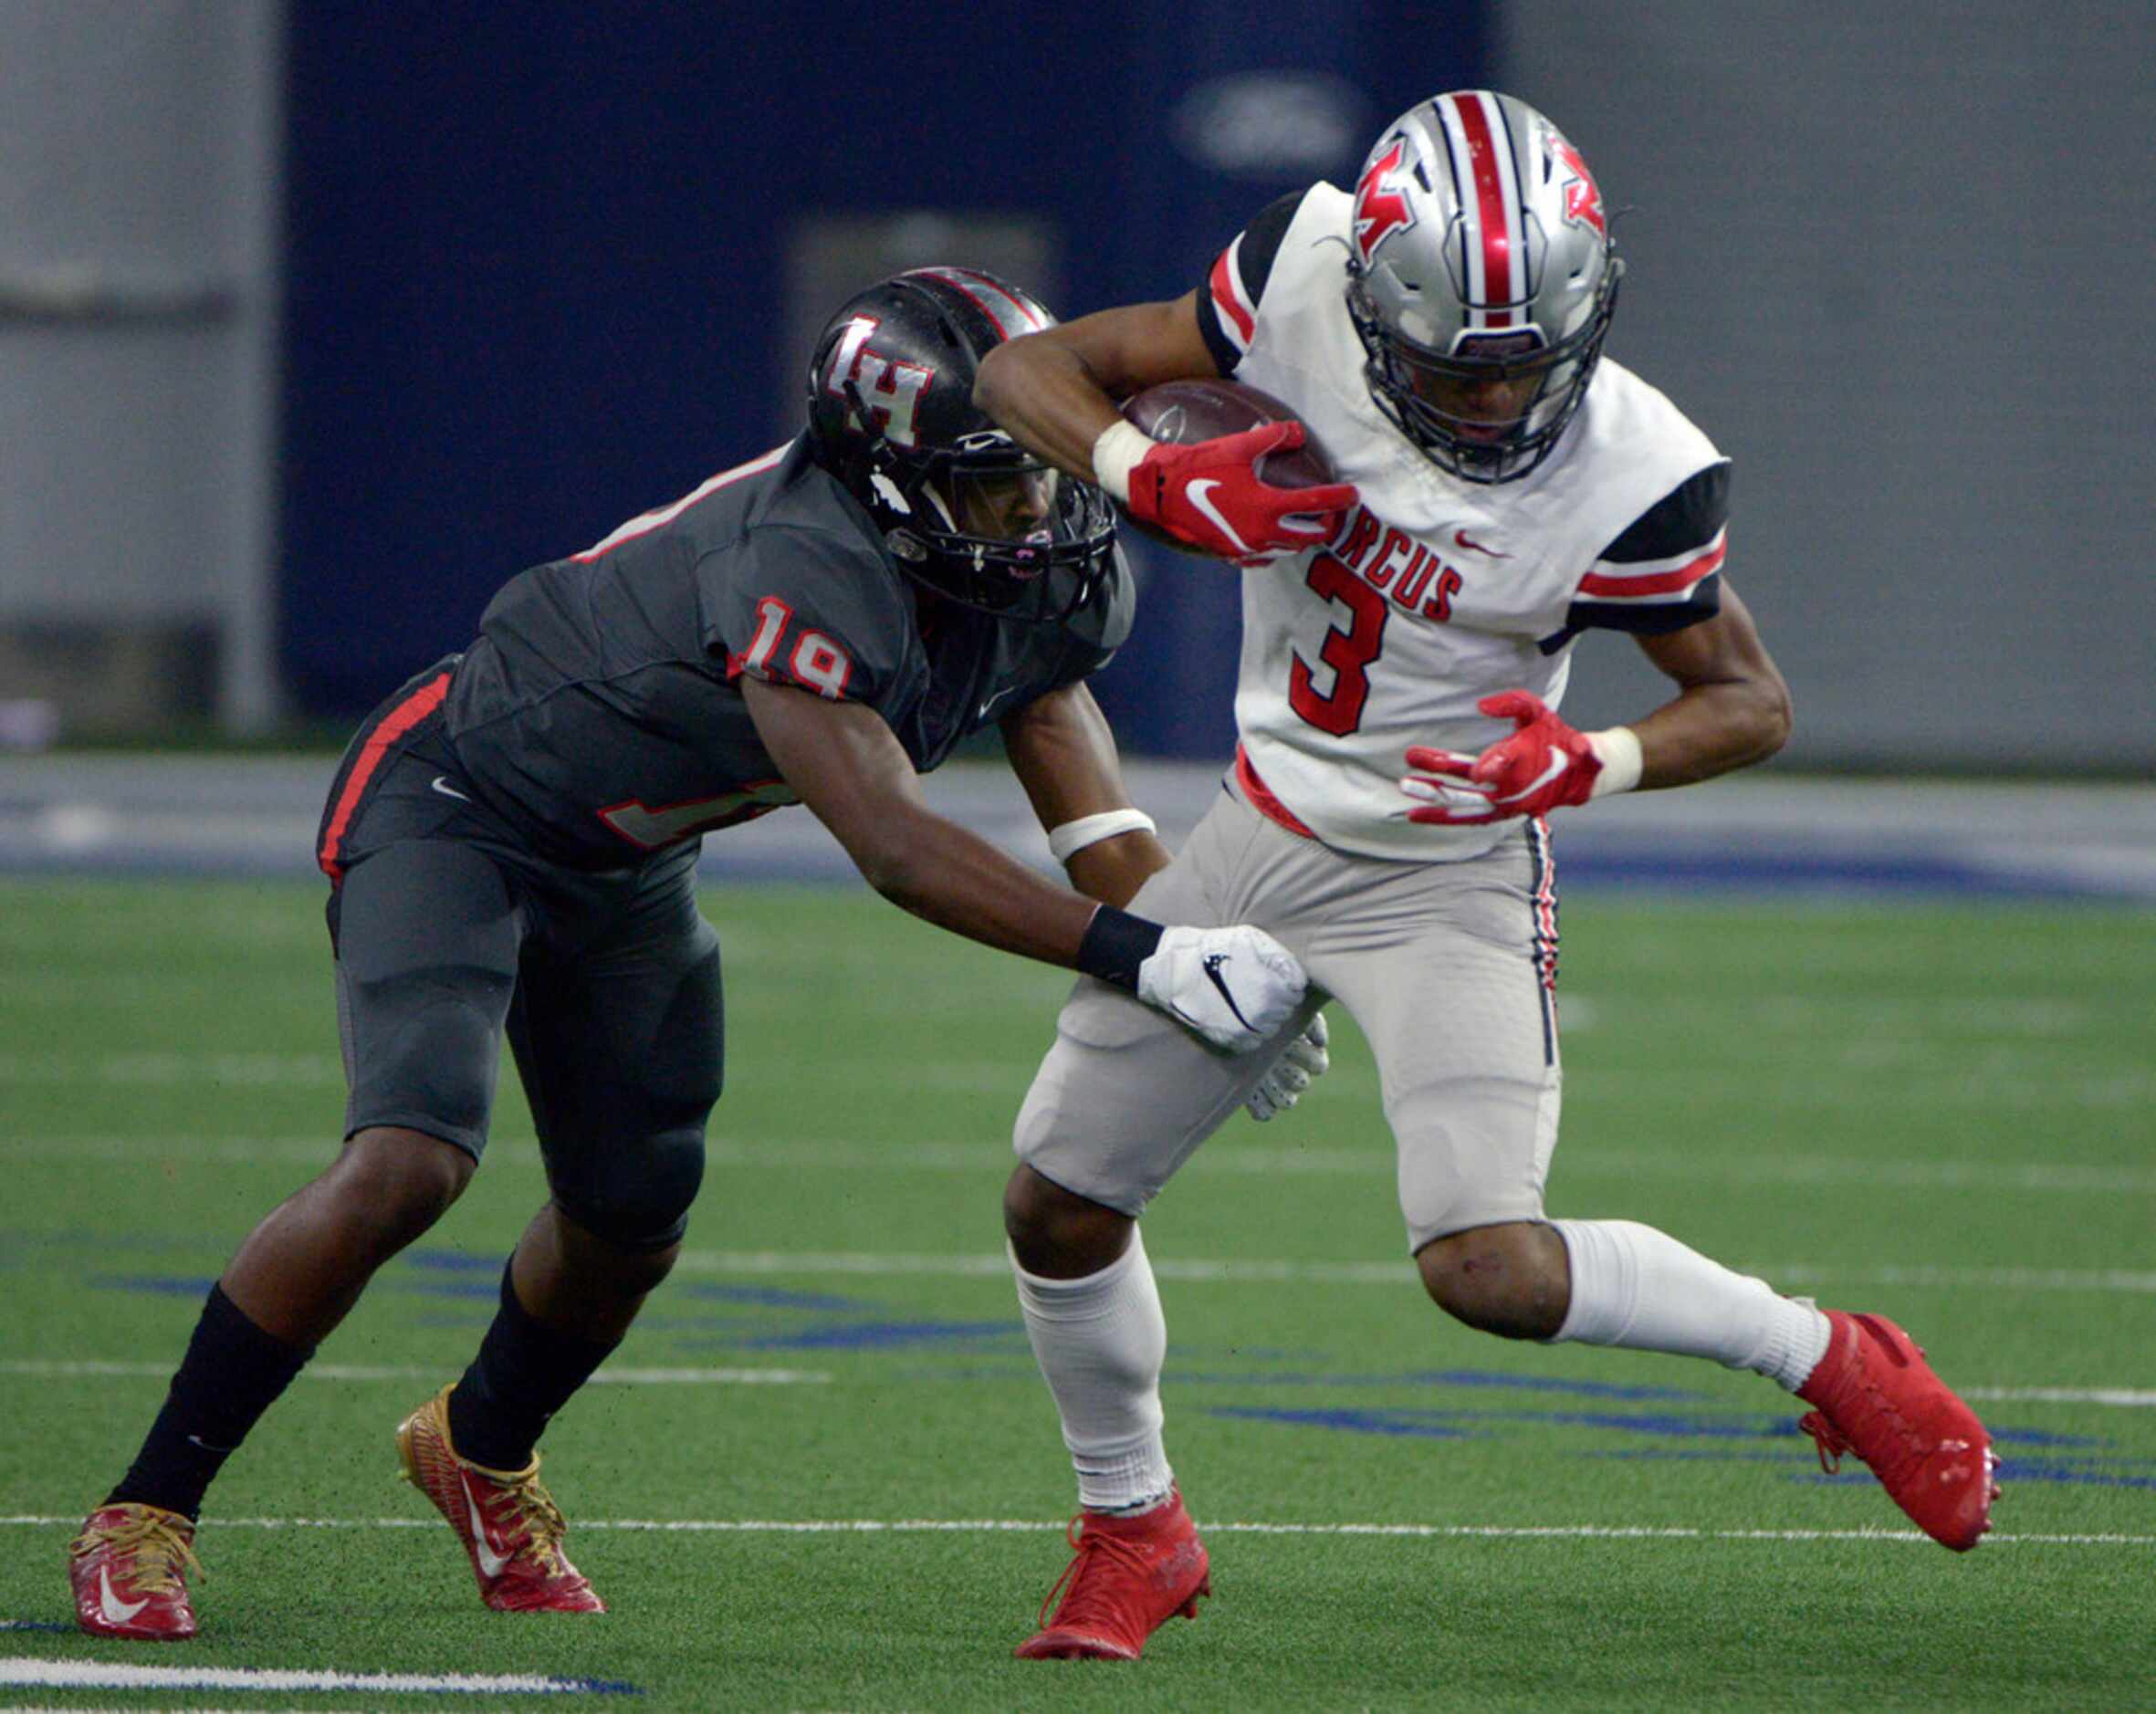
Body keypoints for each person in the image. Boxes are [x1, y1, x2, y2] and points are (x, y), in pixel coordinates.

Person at [66, 267, 1319, 1641]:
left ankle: (479, 1449)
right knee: (408, 1159)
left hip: (626, 856)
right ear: (887, 480)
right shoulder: (804, 557)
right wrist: (1144, 954)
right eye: (989, 478)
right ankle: (146, 1508)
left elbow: (1056, 730)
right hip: (460, 800)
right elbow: (894, 845)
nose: (1032, 506)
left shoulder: (1024, 542)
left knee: (631, 1216)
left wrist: (1190, 941)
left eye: (1040, 458)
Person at [973, 90, 2000, 1662]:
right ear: (1374, 301)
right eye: (1459, 360)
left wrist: (1585, 764)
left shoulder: (1637, 468)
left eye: (1525, 356)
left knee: (1488, 1267)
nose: (1495, 390)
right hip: (1261, 829)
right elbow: (1022, 366)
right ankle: (1134, 1525)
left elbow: (1749, 700)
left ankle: (1832, 1356)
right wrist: (1140, 470)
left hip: (1445, 866)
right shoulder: (1300, 268)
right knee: (1055, 1204)